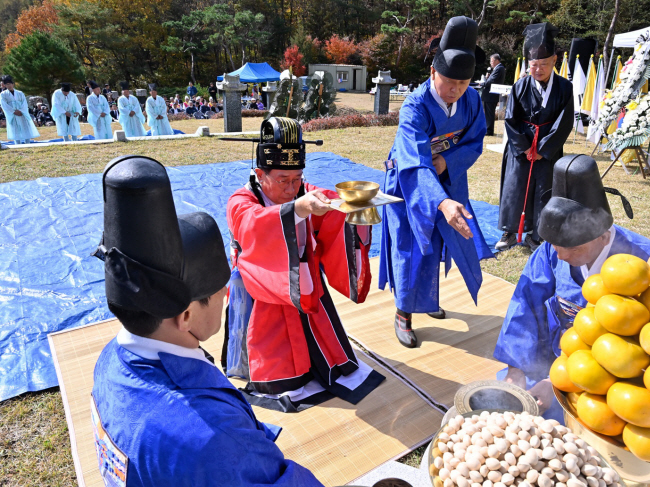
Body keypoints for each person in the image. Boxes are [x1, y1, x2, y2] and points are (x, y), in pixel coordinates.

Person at [91, 155, 324, 486]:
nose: (226, 297)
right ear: (186, 314)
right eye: (219, 292)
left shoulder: (110, 360)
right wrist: (241, 438)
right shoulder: (211, 434)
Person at [225, 117, 384, 412]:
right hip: (265, 285)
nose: (291, 187)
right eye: (283, 180)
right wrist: (296, 209)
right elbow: (250, 224)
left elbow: (328, 201)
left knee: (319, 335)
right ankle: (279, 378)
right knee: (273, 346)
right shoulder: (241, 199)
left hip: (305, 282)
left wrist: (356, 204)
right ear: (260, 173)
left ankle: (320, 366)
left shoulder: (302, 190)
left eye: (297, 178)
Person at [493, 155, 650, 421]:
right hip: (552, 353)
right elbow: (526, 305)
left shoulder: (645, 261)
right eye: (555, 246)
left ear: (604, 237)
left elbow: (646, 345)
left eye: (572, 248)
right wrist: (517, 368)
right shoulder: (552, 248)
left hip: (610, 371)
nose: (559, 256)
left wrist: (557, 380)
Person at [379, 16, 493, 348]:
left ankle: (427, 299)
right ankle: (404, 312)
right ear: (433, 72)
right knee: (411, 245)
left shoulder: (471, 100)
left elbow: (474, 142)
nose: (456, 89)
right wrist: (440, 201)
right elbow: (413, 161)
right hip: (408, 181)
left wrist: (447, 161)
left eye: (464, 82)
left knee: (438, 243)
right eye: (448, 81)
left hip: (445, 176)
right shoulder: (414, 106)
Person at [496, 22, 574, 253]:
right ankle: (510, 231)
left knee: (544, 189)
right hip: (521, 147)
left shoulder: (565, 88)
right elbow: (510, 119)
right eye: (533, 65)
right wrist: (524, 146)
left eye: (543, 64)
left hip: (548, 147)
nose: (538, 69)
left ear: (554, 62)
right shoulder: (520, 86)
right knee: (515, 186)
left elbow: (564, 122)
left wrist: (542, 148)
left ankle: (539, 234)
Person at [0, 75, 39, 144]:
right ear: (5, 85)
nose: (9, 86)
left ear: (13, 84)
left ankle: (27, 142)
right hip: (13, 114)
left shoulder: (20, 93)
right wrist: (13, 111)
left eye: (10, 84)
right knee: (15, 128)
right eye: (7, 84)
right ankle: (17, 143)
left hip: (22, 113)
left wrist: (21, 110)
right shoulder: (3, 94)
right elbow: (4, 105)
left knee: (25, 127)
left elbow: (24, 103)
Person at [482, 54, 506, 136]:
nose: (490, 63)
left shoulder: (499, 68)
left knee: (489, 113)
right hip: (490, 95)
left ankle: (489, 131)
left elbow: (492, 81)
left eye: (491, 61)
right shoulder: (497, 69)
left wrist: (482, 83)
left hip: (491, 95)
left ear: (497, 61)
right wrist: (487, 77)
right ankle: (487, 129)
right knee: (488, 113)